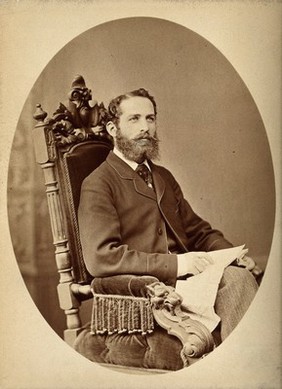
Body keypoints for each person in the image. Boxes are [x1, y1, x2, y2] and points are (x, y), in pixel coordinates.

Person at [78, 88, 258, 341]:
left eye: (150, 118)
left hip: (189, 282)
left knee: (240, 274)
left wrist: (232, 256)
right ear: (112, 128)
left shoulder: (162, 176)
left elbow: (199, 232)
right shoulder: (98, 183)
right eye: (134, 119)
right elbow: (101, 257)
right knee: (237, 282)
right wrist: (179, 264)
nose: (145, 127)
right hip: (151, 293)